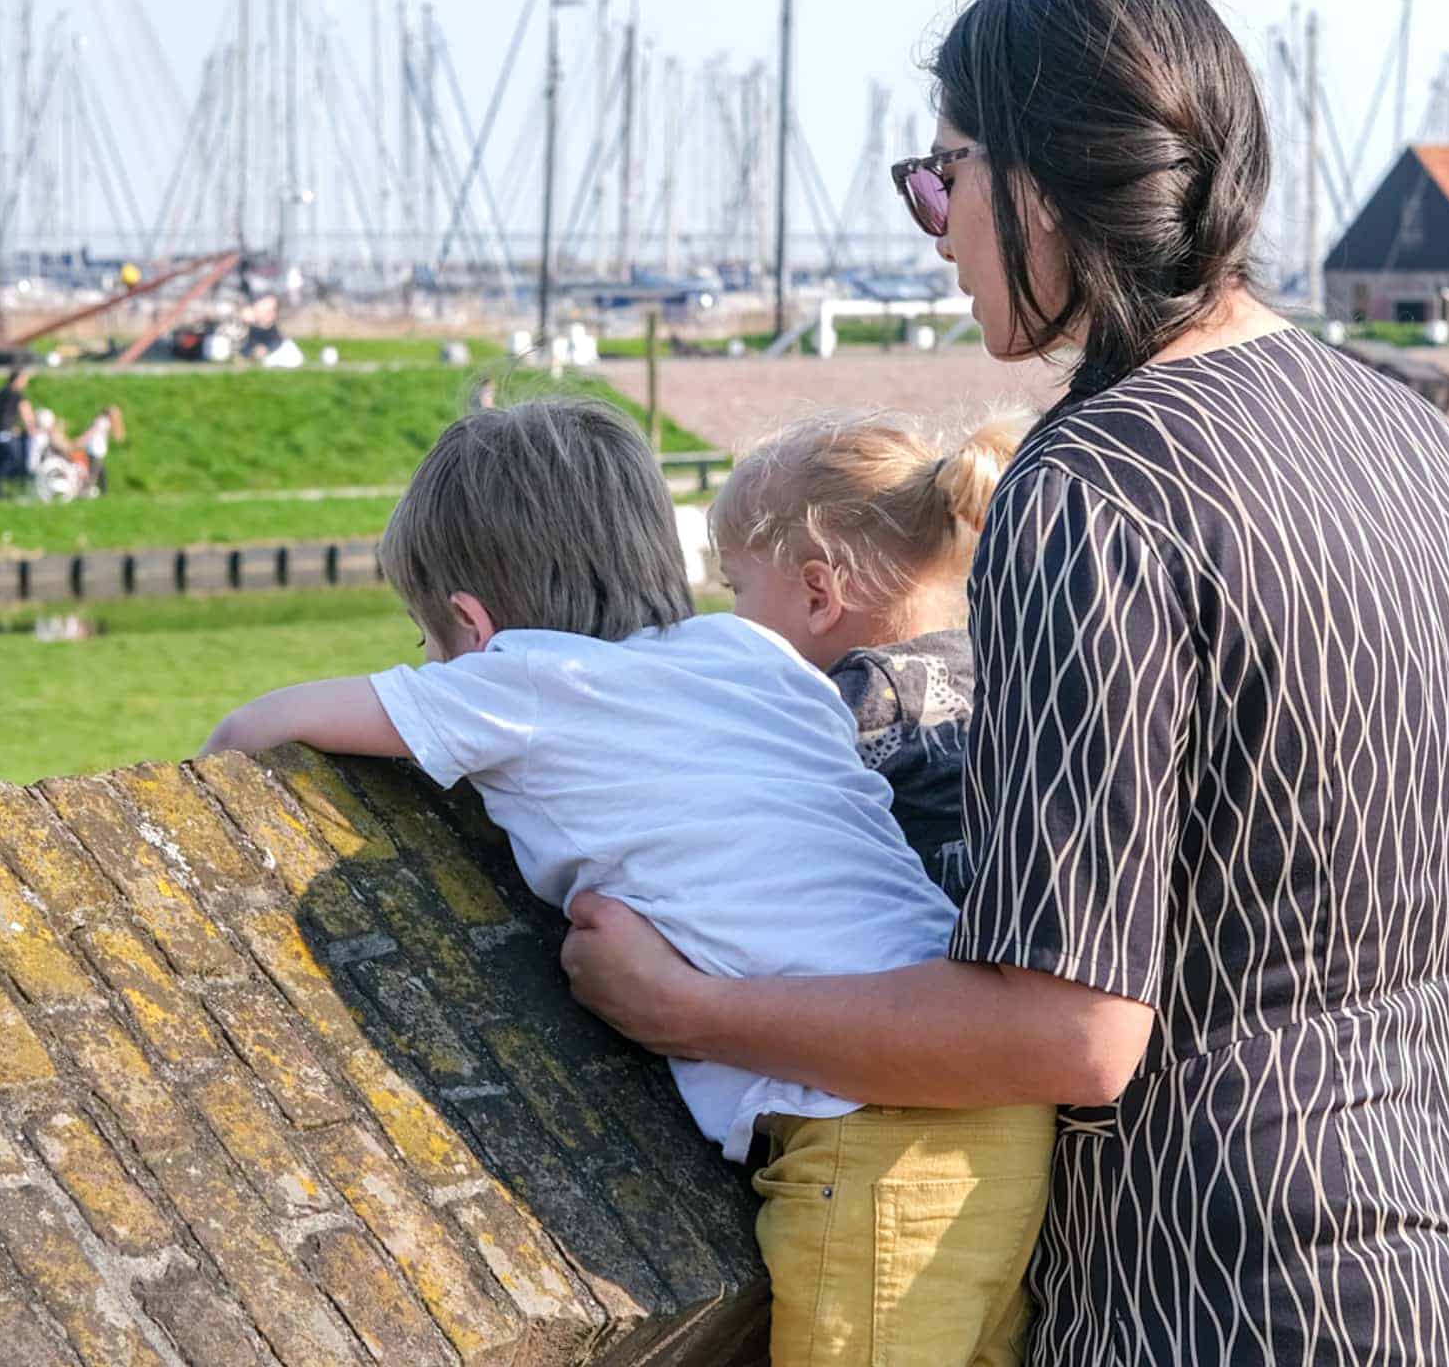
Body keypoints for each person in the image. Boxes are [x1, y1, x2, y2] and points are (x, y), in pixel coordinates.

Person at [562, 0, 1449, 1366]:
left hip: (1222, 1303)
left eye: (944, 173)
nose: (934, 224)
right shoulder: (1425, 448)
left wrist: (691, 1007)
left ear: (1043, 183)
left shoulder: (1094, 493)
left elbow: (1068, 1031)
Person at [198, 395, 1055, 1365]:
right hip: (990, 1096)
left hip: (865, 1133)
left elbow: (252, 729)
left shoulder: (517, 676)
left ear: (470, 623)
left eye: (424, 634)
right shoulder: (749, 653)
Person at [710, 407, 1025, 902]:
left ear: (818, 595)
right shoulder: (990, 666)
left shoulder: (856, 704)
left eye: (737, 587)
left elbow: (745, 821)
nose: (734, 613)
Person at [0, 367, 40, 493]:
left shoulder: (1, 392)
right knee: (16, 460)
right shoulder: (17, 394)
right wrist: (32, 429)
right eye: (24, 379)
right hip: (6, 433)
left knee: (2, 461)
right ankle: (2, 486)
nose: (25, 383)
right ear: (17, 379)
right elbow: (27, 414)